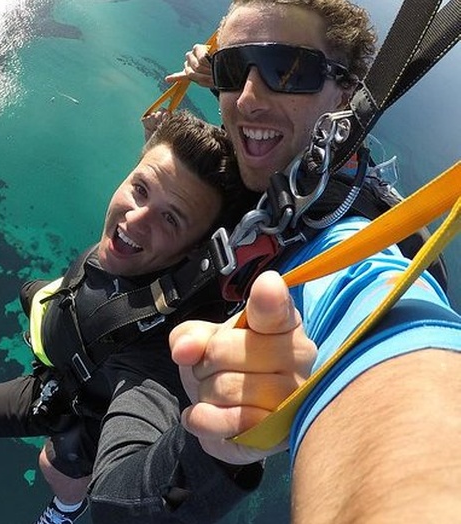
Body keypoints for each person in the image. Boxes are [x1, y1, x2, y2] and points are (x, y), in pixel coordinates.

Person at [88, 1, 461, 522]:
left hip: (161, 361)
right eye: (236, 71)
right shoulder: (283, 166)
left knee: (65, 465)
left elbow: (384, 332)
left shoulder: (345, 245)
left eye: (290, 71)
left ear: (347, 92)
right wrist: (209, 72)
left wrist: (214, 450)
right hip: (139, 321)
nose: (247, 99)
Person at [0, 110, 264, 524]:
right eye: (140, 188)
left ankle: (65, 510)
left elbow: (124, 496)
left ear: (196, 252)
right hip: (68, 324)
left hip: (71, 401)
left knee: (48, 461)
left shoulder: (158, 354)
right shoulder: (137, 249)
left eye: (171, 218)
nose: (134, 219)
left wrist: (218, 456)